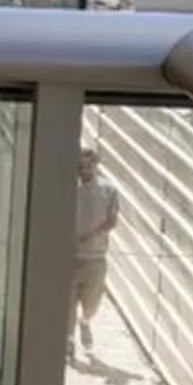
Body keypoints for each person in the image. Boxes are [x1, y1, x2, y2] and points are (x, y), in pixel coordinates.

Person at [70, 142, 120, 364]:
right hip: (71, 257)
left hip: (96, 256)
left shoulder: (109, 190)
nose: (84, 171)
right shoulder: (71, 190)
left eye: (88, 166)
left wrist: (92, 235)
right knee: (67, 302)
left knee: (91, 302)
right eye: (80, 167)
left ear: (95, 166)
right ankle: (68, 339)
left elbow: (112, 220)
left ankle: (85, 322)